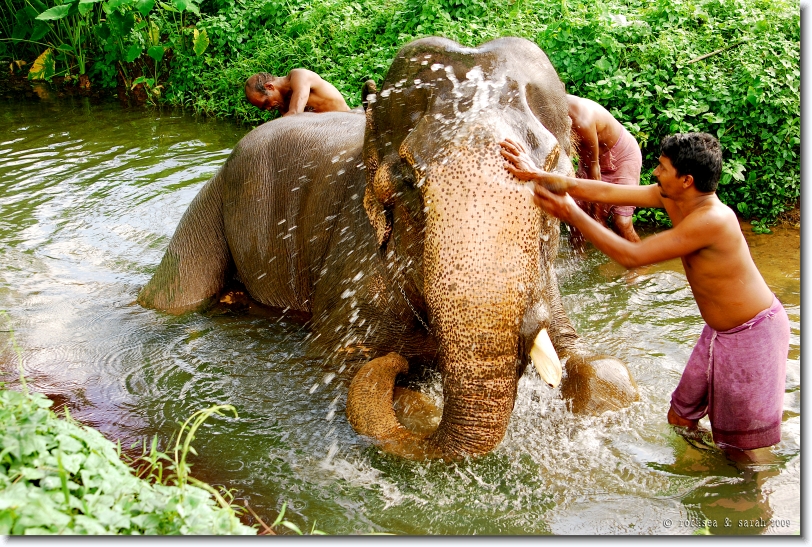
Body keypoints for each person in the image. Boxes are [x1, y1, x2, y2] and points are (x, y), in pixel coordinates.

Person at [499, 132, 790, 461]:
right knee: (680, 418)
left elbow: (632, 257)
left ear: (686, 180)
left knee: (741, 448)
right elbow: (606, 191)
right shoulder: (674, 197)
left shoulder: (712, 220)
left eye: (662, 168)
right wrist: (537, 174)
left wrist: (572, 214)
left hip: (751, 334)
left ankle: (752, 499)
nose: (654, 172)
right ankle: (704, 470)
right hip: (718, 334)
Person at [566, 94, 642, 244]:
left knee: (620, 222)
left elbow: (594, 170)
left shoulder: (581, 120)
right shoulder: (546, 110)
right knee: (576, 212)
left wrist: (597, 216)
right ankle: (578, 262)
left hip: (621, 156)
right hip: (592, 159)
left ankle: (642, 265)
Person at [244, 69, 350, 116]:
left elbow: (295, 115)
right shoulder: (283, 106)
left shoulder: (299, 76)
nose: (268, 108)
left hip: (350, 123)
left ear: (269, 87)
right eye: (264, 108)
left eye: (266, 102)